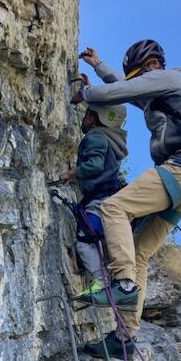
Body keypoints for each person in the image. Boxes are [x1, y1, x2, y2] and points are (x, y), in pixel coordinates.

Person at [71, 40, 181, 360]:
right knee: (140, 251)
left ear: (151, 66)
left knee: (113, 207)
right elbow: (125, 87)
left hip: (180, 170)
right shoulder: (162, 92)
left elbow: (117, 93)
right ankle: (124, 338)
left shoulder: (171, 78)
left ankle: (124, 287)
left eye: (140, 74)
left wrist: (86, 95)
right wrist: (99, 66)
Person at [60, 100, 127, 293]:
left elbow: (95, 165)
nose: (84, 117)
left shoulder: (95, 136)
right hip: (110, 199)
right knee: (98, 240)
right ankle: (107, 279)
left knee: (84, 240)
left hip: (99, 200)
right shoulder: (112, 140)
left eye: (88, 114)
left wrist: (72, 173)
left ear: (93, 118)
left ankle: (100, 284)